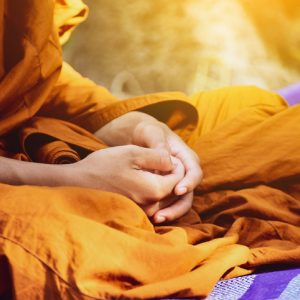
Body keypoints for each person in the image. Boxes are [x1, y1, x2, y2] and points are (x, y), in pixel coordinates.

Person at [0, 0, 299, 299]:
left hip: (36, 128)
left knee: (254, 114)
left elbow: (36, 70)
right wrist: (67, 178)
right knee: (61, 247)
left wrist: (129, 123)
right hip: (16, 189)